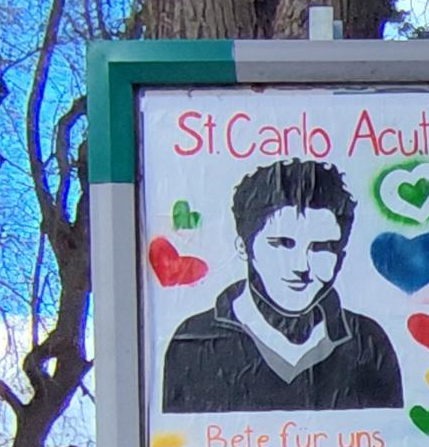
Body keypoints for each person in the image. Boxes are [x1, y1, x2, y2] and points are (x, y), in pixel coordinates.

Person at [160, 158, 403, 413]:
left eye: (321, 247)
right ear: (244, 247)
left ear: (341, 254)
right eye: (282, 244)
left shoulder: (368, 342)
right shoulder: (194, 340)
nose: (301, 266)